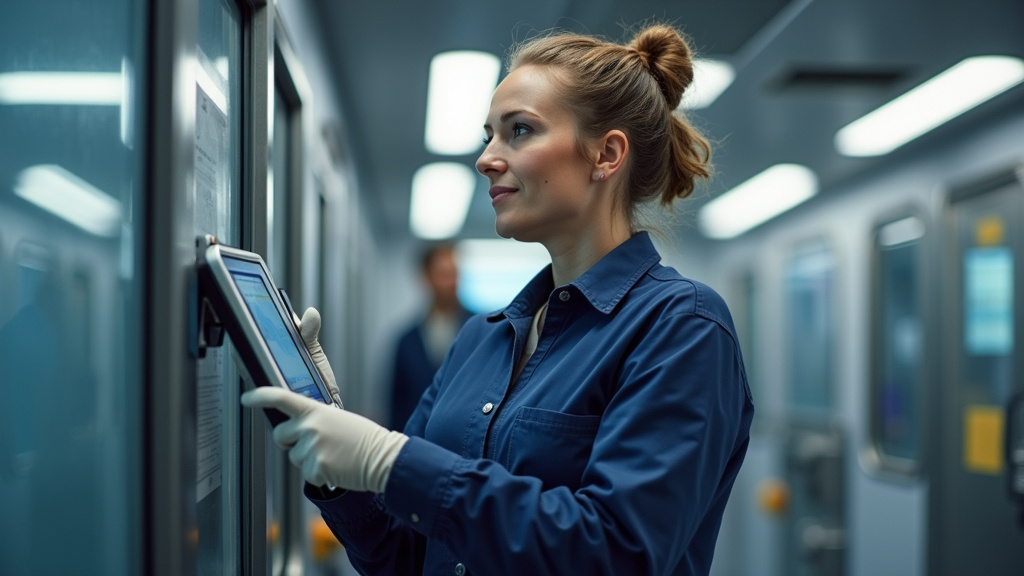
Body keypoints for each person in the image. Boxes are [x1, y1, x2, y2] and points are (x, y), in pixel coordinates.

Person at [243, 23, 754, 576]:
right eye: (489, 134)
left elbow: (614, 553)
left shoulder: (682, 327)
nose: (486, 158)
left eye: (519, 131)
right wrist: (342, 453)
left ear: (606, 154)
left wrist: (393, 462)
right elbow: (406, 555)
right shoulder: (481, 340)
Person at [389, 244, 471, 430]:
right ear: (426, 277)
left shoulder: (481, 331)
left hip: (465, 445)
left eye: (455, 273)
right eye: (444, 274)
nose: (452, 282)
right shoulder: (406, 341)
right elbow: (397, 406)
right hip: (417, 443)